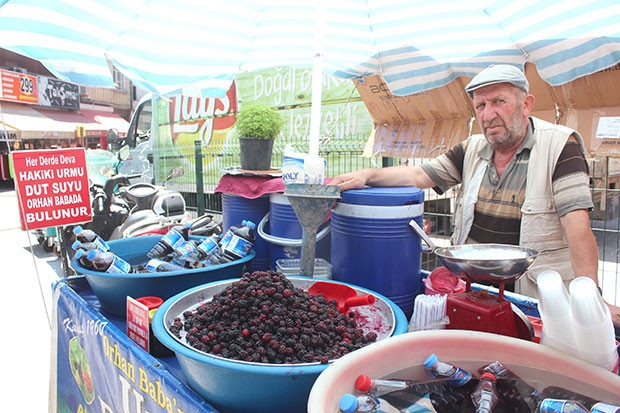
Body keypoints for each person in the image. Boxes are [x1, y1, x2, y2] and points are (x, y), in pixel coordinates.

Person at [331, 64, 620, 328]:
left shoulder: (560, 146)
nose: (487, 114)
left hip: (529, 301)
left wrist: (591, 298)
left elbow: (577, 227)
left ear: (526, 104)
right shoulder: (473, 148)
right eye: (480, 105)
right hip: (471, 291)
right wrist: (367, 175)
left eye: (498, 102)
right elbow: (421, 176)